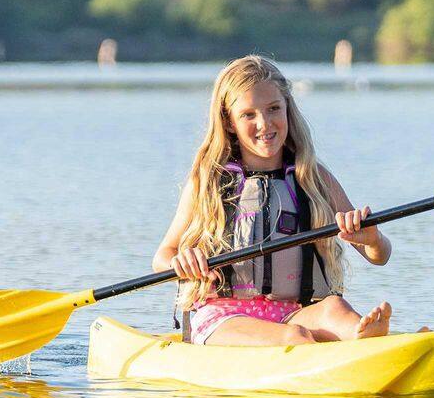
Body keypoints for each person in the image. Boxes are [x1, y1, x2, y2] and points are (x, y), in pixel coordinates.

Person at [153, 55, 392, 345]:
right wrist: (181, 261)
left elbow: (380, 256)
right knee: (295, 336)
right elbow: (162, 257)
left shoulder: (314, 178)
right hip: (223, 317)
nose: (264, 123)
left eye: (273, 109)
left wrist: (372, 239)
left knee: (334, 308)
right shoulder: (209, 181)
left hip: (293, 312)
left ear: (287, 108)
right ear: (229, 122)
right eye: (248, 115)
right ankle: (354, 348)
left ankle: (364, 338)